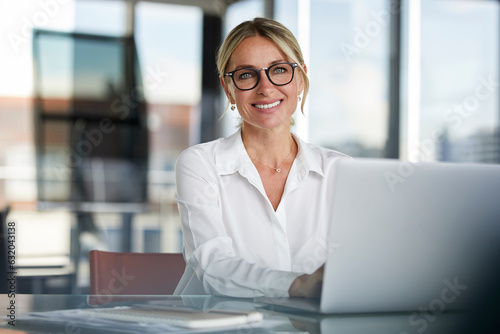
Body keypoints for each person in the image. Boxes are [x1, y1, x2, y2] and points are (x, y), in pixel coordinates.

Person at [174, 17, 349, 298]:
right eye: (246, 74)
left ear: (301, 79)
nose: (265, 87)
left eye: (279, 70)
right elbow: (214, 266)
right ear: (228, 88)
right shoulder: (200, 163)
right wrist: (296, 285)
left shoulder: (340, 170)